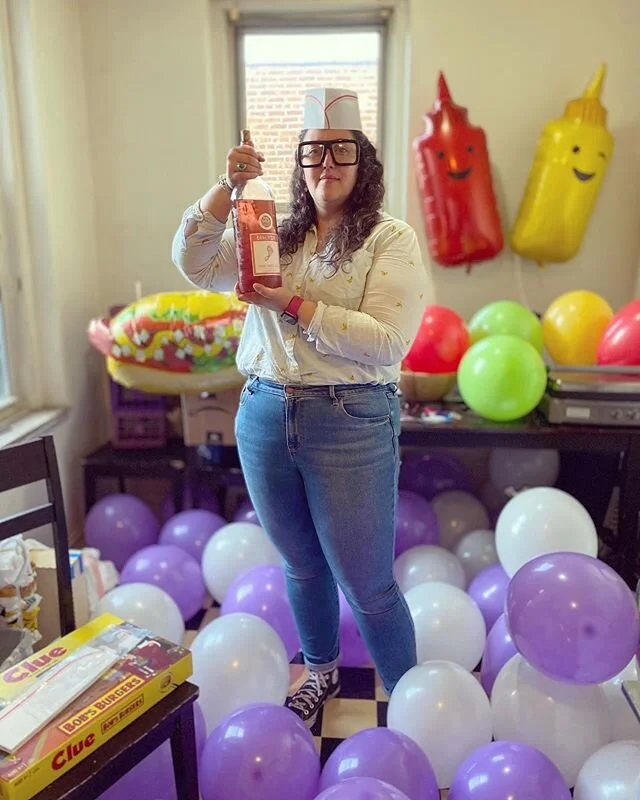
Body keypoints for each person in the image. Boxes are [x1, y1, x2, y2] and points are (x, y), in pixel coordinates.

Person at [172, 88, 429, 726]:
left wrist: (289, 303)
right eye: (312, 151)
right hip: (262, 413)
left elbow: (388, 339)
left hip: (351, 419)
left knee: (368, 585)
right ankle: (319, 671)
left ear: (363, 161)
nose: (325, 163)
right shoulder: (270, 229)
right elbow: (194, 263)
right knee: (301, 565)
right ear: (299, 162)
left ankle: (413, 702)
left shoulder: (388, 239)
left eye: (341, 149)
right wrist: (222, 188)